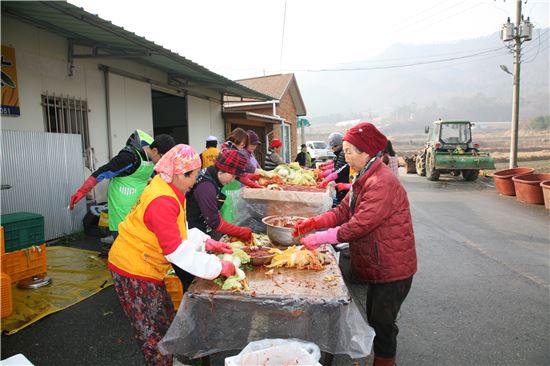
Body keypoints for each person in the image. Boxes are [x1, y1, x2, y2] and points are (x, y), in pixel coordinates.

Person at [292, 122, 416, 366]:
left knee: (382, 323)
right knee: (377, 318)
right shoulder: (364, 177)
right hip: (381, 262)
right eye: (345, 151)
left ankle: (384, 361)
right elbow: (342, 212)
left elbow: (359, 225)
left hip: (393, 266)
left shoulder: (381, 182)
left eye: (349, 151)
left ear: (366, 152)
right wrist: (312, 223)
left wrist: (320, 238)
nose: (345, 156)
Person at [108, 144, 236, 366]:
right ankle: (162, 362)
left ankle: (169, 360)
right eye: (193, 176)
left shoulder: (168, 187)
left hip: (147, 265)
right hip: (133, 268)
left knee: (164, 316)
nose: (195, 181)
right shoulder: (163, 200)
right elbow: (176, 250)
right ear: (179, 173)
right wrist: (217, 267)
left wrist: (207, 242)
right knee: (151, 330)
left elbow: (176, 229)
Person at [70, 130, 176, 240]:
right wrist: (82, 191)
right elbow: (102, 172)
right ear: (154, 151)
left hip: (138, 207)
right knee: (123, 244)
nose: (163, 163)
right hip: (121, 206)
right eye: (162, 158)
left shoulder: (155, 157)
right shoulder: (129, 157)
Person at [318, 132, 351, 205]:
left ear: (338, 145)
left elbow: (338, 171)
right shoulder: (340, 153)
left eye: (333, 147)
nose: (332, 149)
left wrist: (326, 178)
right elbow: (334, 164)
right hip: (342, 186)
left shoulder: (343, 154)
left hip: (344, 188)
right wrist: (325, 167)